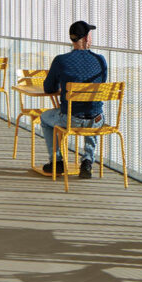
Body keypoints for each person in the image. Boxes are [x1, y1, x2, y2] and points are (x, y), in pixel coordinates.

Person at [40, 21, 108, 179]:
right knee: (93, 108)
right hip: (97, 120)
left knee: (45, 117)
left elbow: (48, 88)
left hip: (72, 120)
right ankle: (88, 161)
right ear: (86, 39)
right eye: (90, 34)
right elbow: (100, 86)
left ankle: (57, 161)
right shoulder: (100, 60)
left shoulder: (61, 61)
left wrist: (62, 87)